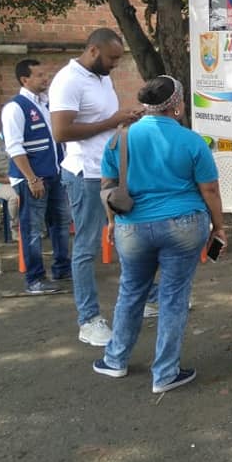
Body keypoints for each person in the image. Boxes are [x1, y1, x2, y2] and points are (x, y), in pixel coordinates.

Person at [93, 75, 225, 394]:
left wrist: (112, 223)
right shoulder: (192, 141)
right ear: (177, 106)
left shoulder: (120, 139)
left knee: (131, 290)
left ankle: (115, 360)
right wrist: (219, 227)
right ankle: (165, 373)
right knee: (174, 296)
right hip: (183, 225)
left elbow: (107, 187)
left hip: (132, 228)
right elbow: (209, 189)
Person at [51, 28, 143, 346]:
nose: (115, 64)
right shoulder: (68, 80)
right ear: (93, 50)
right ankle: (88, 320)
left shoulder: (101, 77)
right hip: (85, 173)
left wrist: (124, 120)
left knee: (130, 233)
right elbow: (61, 132)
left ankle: (145, 297)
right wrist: (112, 120)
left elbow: (104, 120)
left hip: (110, 170)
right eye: (112, 58)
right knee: (86, 247)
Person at [0, 59, 72, 294]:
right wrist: (32, 178)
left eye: (45, 74)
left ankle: (62, 268)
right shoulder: (15, 108)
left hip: (55, 174)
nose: (46, 78)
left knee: (60, 223)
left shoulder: (46, 104)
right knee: (32, 229)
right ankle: (35, 280)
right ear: (25, 80)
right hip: (33, 180)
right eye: (40, 75)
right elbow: (15, 148)